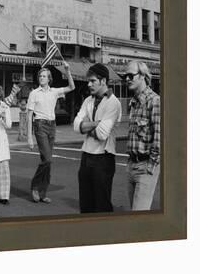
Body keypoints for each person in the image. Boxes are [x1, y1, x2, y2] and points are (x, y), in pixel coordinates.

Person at [73, 63, 122, 213]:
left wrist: (85, 126)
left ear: (104, 81)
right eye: (89, 81)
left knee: (102, 205)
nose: (89, 84)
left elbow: (102, 134)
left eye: (93, 81)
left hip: (104, 157)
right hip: (86, 155)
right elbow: (75, 126)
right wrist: (96, 123)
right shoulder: (88, 100)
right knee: (86, 205)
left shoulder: (114, 103)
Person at [27, 63, 75, 203]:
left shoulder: (54, 91)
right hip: (40, 125)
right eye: (40, 76)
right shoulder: (34, 93)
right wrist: (29, 137)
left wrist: (68, 71)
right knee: (48, 159)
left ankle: (43, 193)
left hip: (51, 126)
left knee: (46, 161)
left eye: (44, 76)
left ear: (49, 78)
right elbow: (29, 115)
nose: (41, 78)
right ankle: (35, 186)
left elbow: (72, 87)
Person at [125, 61, 161, 210]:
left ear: (143, 77)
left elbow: (159, 140)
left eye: (130, 75)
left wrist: (150, 168)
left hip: (145, 167)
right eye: (125, 76)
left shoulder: (155, 101)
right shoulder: (133, 103)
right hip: (131, 165)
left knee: (139, 214)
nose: (127, 79)